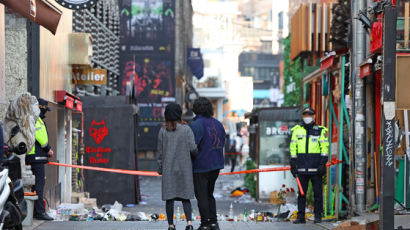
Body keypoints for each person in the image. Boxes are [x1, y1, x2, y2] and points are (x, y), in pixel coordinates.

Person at [157, 103, 197, 230]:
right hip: (184, 169)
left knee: (170, 198)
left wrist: (160, 168)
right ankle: (189, 224)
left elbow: (160, 152)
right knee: (186, 197)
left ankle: (170, 225)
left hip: (168, 169)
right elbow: (193, 148)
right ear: (180, 115)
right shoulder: (186, 129)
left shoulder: (163, 130)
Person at [189, 97, 226, 230]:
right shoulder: (218, 123)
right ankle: (214, 223)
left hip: (201, 165)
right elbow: (223, 141)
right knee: (209, 194)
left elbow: (192, 147)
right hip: (216, 164)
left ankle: (205, 224)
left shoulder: (195, 125)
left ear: (196, 109)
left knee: (201, 195)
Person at [290, 107, 329, 224]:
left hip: (316, 169)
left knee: (318, 194)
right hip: (301, 169)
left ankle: (318, 216)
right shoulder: (297, 131)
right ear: (303, 116)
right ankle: (300, 217)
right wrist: (293, 164)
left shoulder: (320, 131)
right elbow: (293, 149)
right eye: (305, 115)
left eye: (309, 115)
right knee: (301, 194)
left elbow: (324, 148)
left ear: (314, 116)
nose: (307, 117)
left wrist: (323, 163)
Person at [25, 98, 54, 221]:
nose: (46, 112)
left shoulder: (31, 118)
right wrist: (48, 149)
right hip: (36, 157)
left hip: (33, 156)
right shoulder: (36, 119)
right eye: (45, 109)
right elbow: (41, 137)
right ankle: (39, 212)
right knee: (39, 185)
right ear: (40, 108)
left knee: (35, 186)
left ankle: (35, 211)